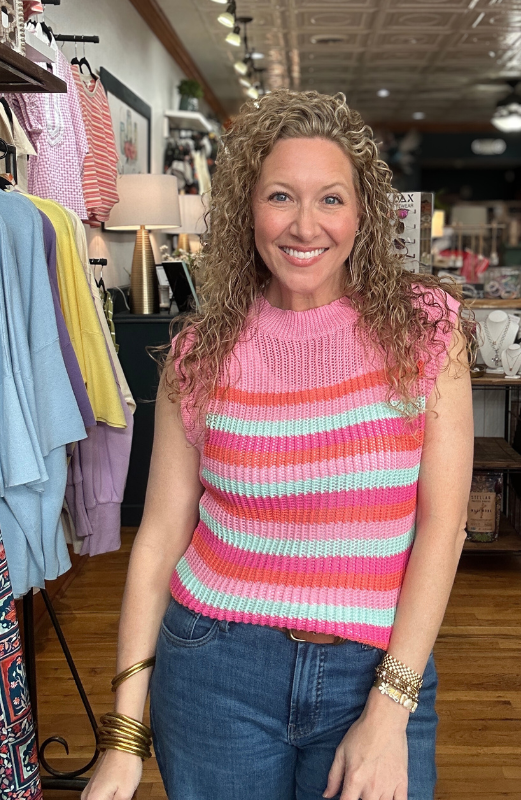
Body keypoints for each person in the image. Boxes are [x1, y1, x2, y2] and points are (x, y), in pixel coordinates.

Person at [83, 90, 474, 800]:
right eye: (281, 197)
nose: (304, 225)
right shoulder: (201, 354)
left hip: (376, 667)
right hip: (214, 672)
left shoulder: (425, 330)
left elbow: (443, 525)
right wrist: (122, 736)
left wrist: (391, 704)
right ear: (248, 212)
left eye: (330, 199)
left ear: (362, 215)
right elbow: (161, 537)